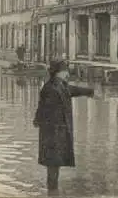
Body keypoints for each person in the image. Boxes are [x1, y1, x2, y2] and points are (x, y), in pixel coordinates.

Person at [33, 59, 93, 194]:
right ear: (58, 73)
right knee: (53, 166)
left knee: (55, 165)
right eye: (66, 71)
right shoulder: (50, 88)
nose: (68, 74)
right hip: (52, 136)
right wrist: (41, 122)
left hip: (58, 134)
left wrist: (90, 92)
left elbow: (73, 90)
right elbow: (44, 110)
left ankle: (53, 192)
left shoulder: (60, 86)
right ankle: (52, 192)